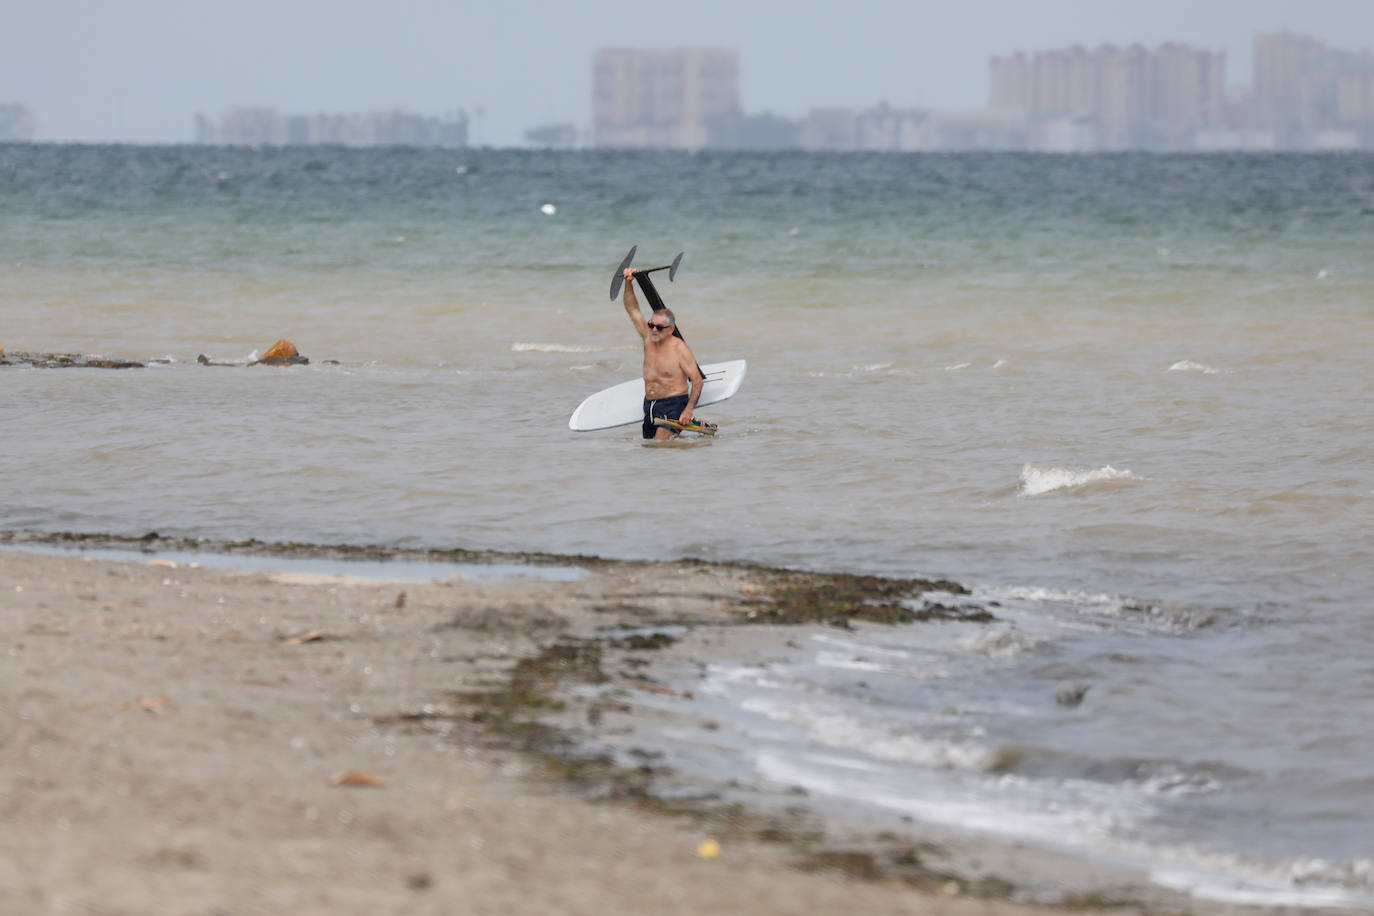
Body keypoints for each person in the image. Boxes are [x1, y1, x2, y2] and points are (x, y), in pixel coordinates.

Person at [622, 266, 704, 440]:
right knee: (650, 449)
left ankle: (687, 420)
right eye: (651, 324)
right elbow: (632, 309)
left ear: (671, 329)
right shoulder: (648, 338)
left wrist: (688, 409)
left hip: (674, 404)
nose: (653, 329)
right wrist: (628, 282)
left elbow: (697, 381)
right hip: (650, 405)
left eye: (659, 327)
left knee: (659, 444)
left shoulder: (679, 348)